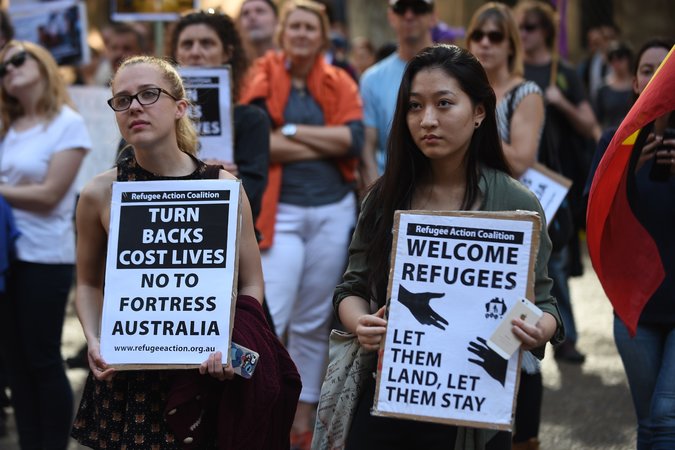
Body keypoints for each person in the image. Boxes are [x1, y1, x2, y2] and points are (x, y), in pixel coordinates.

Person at [333, 43, 563, 450]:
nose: (427, 120)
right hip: (389, 393)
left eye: (444, 104)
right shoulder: (383, 197)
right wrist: (360, 323)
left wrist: (534, 330)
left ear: (479, 112)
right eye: (415, 107)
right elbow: (350, 289)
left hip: (473, 407)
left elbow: (544, 306)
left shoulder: (517, 203)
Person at [70, 55, 299, 448]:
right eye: (122, 100)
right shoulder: (98, 194)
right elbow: (88, 283)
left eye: (148, 94)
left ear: (180, 108)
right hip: (132, 376)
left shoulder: (224, 187)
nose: (135, 107)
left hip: (204, 371)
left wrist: (229, 336)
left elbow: (251, 281)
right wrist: (94, 338)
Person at [239, 1, 364, 448]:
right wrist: (323, 143)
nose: (303, 33)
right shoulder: (261, 73)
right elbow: (258, 143)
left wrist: (288, 131)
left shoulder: (339, 79)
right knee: (275, 314)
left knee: (314, 320)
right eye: (295, 25)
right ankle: (264, 401)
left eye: (312, 26)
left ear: (323, 34)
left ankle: (303, 413)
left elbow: (352, 139)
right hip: (282, 212)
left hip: (333, 210)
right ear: (283, 32)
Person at [0, 40, 91, 449]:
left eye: (18, 59)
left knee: (41, 358)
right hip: (5, 258)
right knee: (14, 363)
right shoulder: (6, 126)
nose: (10, 69)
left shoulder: (68, 123)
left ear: (43, 65)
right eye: (2, 68)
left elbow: (51, 193)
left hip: (44, 256)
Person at [585, 37, 675, 450]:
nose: (656, 76)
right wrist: (625, 175)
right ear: (635, 83)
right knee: (648, 423)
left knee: (666, 414)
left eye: (664, 69)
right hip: (635, 305)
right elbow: (595, 216)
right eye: (646, 69)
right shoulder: (614, 142)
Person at [466, 5, 546, 449]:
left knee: (518, 326)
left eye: (496, 36)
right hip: (465, 215)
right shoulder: (459, 87)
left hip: (511, 219)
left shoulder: (525, 91)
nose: (485, 43)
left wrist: (472, 122)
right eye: (478, 34)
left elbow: (519, 160)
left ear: (511, 43)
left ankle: (523, 437)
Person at [515, 0, 599, 364]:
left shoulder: (561, 72)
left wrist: (560, 101)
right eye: (520, 25)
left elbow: (590, 126)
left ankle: (564, 337)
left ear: (547, 30)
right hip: (516, 176)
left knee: (557, 263)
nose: (524, 32)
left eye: (531, 26)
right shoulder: (511, 69)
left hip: (551, 181)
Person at [359, 0, 435, 188]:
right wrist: (376, 200)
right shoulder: (372, 78)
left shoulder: (456, 71)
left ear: (433, 15)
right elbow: (368, 146)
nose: (409, 15)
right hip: (392, 189)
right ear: (391, 16)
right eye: (401, 8)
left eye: (418, 8)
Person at [595, 41, 634, 129]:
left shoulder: (638, 85)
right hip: (611, 135)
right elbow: (597, 120)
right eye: (612, 59)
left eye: (620, 58)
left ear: (628, 59)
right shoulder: (603, 88)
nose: (616, 63)